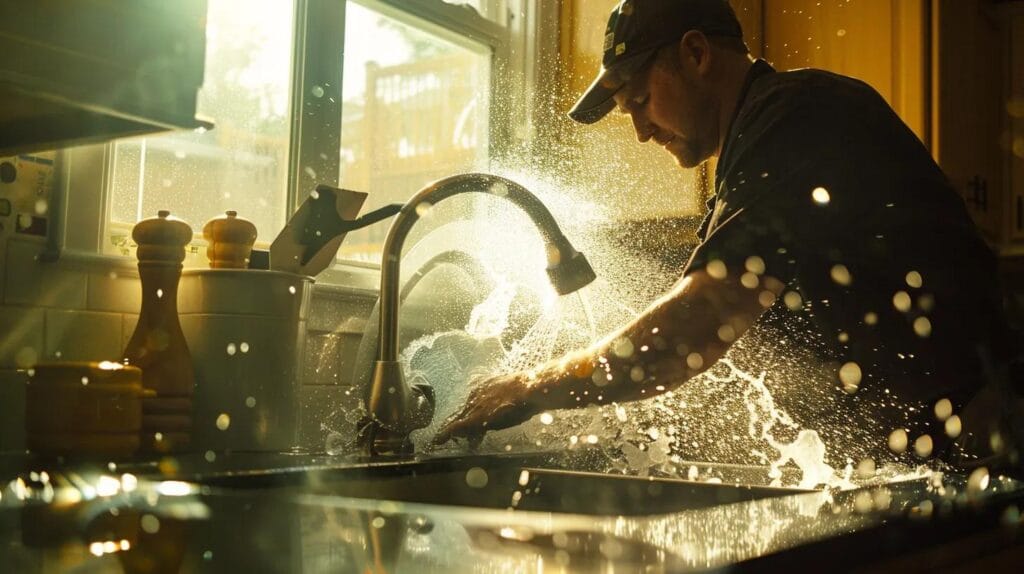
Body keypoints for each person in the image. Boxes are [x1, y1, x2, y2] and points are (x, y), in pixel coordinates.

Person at [435, 0, 1021, 469]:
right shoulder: (756, 150)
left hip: (980, 448)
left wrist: (529, 387)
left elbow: (698, 321)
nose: (640, 131)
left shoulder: (798, 117)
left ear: (695, 53)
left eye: (640, 99)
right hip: (931, 455)